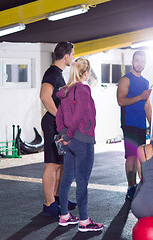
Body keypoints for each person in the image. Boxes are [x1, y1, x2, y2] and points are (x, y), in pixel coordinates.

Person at [56, 58, 103, 232]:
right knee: (82, 181)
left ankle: (64, 216)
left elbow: (59, 116)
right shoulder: (83, 90)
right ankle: (84, 221)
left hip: (70, 142)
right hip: (82, 141)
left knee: (67, 178)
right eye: (88, 71)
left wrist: (63, 134)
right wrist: (67, 134)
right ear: (86, 73)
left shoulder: (65, 91)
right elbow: (78, 115)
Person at [40, 41, 76, 217]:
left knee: (61, 164)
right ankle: (49, 204)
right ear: (67, 56)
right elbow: (45, 97)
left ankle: (59, 197)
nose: (73, 57)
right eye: (73, 54)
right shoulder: (52, 73)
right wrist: (60, 117)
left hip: (59, 125)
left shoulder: (59, 74)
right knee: (52, 164)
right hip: (51, 124)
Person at [117, 51, 152, 200]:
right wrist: (140, 96)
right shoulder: (125, 80)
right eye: (137, 61)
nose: (140, 64)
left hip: (141, 124)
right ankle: (131, 187)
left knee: (141, 157)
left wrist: (152, 124)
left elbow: (147, 105)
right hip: (129, 123)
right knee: (131, 157)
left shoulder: (145, 82)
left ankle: (141, 186)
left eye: (142, 61)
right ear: (132, 61)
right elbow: (121, 101)